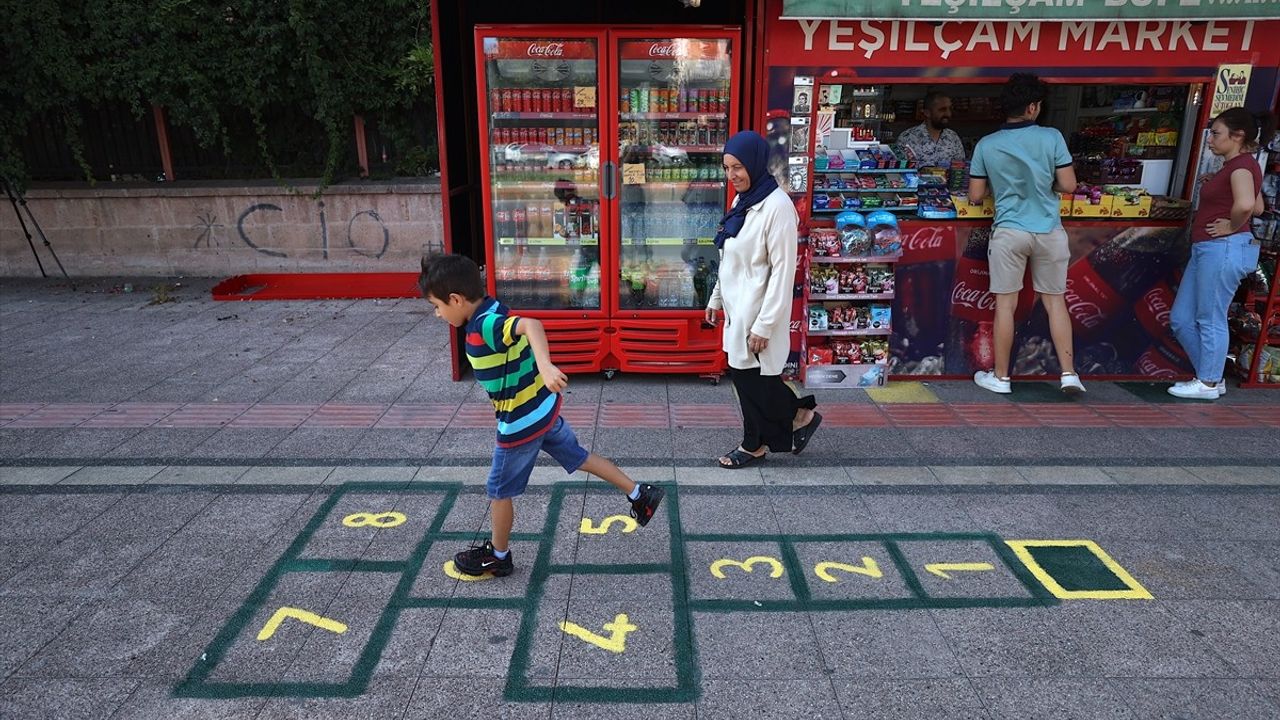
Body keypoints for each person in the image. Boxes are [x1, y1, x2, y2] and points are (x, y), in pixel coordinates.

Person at [418, 253, 664, 575]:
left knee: (498, 491)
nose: (437, 314)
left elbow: (531, 325)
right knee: (580, 457)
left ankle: (499, 556)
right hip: (542, 410)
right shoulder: (490, 306)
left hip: (520, 424)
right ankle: (639, 493)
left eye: (437, 306)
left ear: (456, 299)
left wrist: (546, 366)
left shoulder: (485, 325)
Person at [705, 131, 821, 469]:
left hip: (757, 314)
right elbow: (729, 257)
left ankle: (755, 443)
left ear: (755, 163)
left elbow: (784, 274)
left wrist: (765, 325)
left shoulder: (778, 207)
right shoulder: (741, 201)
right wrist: (716, 298)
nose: (732, 176)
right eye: (727, 168)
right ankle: (797, 416)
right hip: (737, 311)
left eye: (738, 167)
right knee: (747, 380)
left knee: (754, 382)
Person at [968, 73, 1084, 396]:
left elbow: (975, 194)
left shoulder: (986, 144)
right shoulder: (1052, 138)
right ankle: (1069, 374)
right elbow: (1069, 185)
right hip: (1048, 231)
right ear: (1033, 107)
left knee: (1005, 306)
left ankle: (1002, 378)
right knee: (1055, 302)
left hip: (1009, 231)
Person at [1168, 108, 1272, 400]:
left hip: (1222, 248)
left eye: (1216, 133)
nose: (1210, 140)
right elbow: (1260, 207)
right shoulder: (1241, 165)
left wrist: (1231, 225)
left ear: (1237, 136)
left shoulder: (1240, 167)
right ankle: (1210, 375)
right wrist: (1218, 184)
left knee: (1209, 317)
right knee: (1182, 318)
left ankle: (1209, 382)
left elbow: (1246, 206)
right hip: (1212, 249)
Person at [897, 91, 966, 168]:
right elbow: (899, 170)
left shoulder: (953, 137)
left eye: (949, 109)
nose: (948, 113)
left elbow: (960, 170)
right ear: (927, 113)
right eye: (942, 110)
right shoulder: (907, 138)